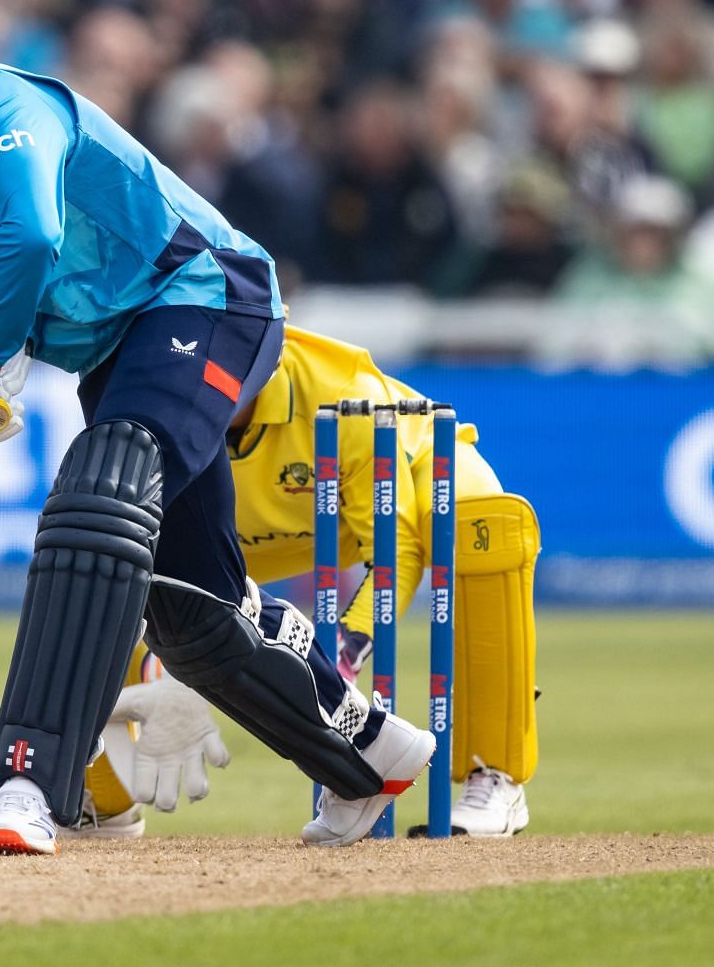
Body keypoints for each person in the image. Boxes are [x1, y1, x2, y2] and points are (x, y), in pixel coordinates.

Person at [0, 0, 435, 854]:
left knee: (98, 489)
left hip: (205, 289)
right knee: (190, 610)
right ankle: (370, 753)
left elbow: (34, 235)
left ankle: (27, 778)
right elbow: (14, 300)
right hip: (117, 351)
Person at [58, 325, 541, 841]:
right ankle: (105, 802)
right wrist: (174, 671)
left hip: (406, 481)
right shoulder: (156, 395)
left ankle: (496, 778)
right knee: (97, 578)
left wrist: (344, 653)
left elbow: (395, 557)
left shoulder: (343, 394)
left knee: (482, 524)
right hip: (244, 532)